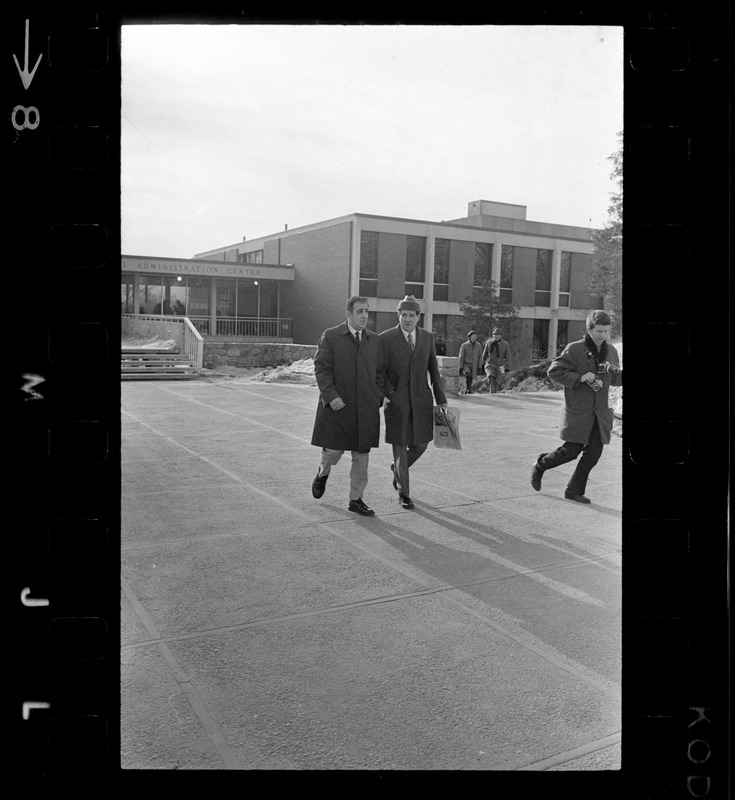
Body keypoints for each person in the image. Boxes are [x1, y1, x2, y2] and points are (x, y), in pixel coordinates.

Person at [530, 309, 623, 503]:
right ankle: (540, 465)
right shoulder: (574, 349)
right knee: (570, 452)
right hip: (579, 412)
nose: (603, 335)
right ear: (589, 329)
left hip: (600, 414)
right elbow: (554, 372)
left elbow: (614, 378)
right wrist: (580, 378)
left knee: (593, 454)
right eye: (599, 331)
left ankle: (573, 490)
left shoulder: (612, 351)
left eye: (606, 331)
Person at [310, 296, 386, 516]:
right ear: (349, 314)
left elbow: (380, 372)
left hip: (365, 409)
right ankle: (322, 473)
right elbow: (321, 368)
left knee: (361, 457)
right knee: (333, 452)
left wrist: (377, 397)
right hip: (338, 407)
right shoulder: (332, 336)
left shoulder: (374, 340)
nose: (364, 316)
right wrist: (331, 396)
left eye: (367, 312)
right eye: (360, 311)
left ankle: (356, 499)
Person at [380, 295, 447, 509]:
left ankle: (398, 468)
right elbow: (379, 371)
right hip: (397, 403)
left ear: (419, 317)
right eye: (403, 315)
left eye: (411, 315)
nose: (407, 319)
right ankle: (404, 493)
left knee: (421, 444)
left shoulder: (427, 338)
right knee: (399, 446)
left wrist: (441, 399)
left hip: (421, 401)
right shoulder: (386, 338)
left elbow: (434, 371)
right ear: (398, 316)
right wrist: (390, 392)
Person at [482, 327, 511, 393]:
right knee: (491, 376)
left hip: (499, 366)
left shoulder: (505, 345)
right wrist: (481, 364)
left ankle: (494, 394)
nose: (496, 336)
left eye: (498, 334)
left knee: (497, 382)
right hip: (489, 363)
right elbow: (484, 354)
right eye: (495, 334)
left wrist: (507, 367)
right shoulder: (489, 343)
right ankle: (492, 392)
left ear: (501, 335)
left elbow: (508, 357)